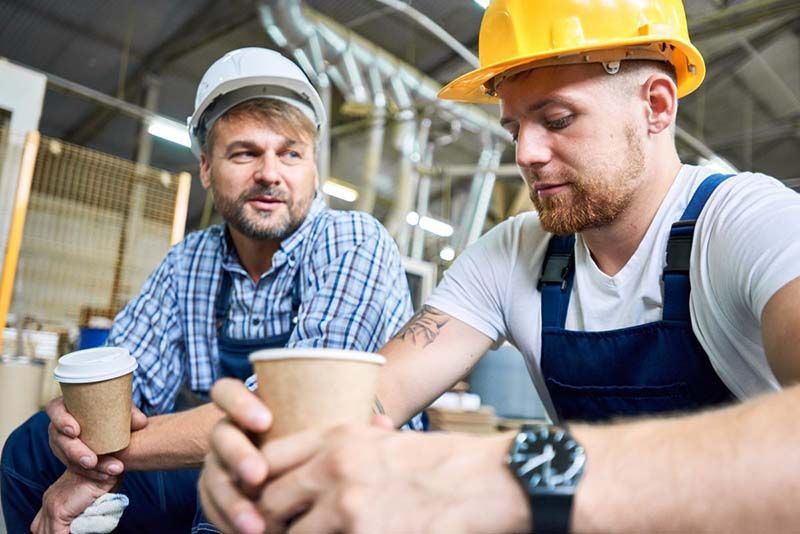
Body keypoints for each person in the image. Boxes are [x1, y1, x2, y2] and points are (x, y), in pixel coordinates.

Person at [198, 1, 800, 533]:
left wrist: (504, 478)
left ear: (657, 105)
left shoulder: (749, 222)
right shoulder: (516, 252)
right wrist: (275, 451)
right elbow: (379, 393)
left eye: (558, 119)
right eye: (514, 127)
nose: (525, 154)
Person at [0, 47, 413, 534]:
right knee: (29, 450)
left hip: (349, 478)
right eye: (244, 152)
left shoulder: (352, 241)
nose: (270, 173)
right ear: (205, 168)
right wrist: (77, 431)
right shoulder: (190, 260)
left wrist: (99, 455)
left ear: (314, 170)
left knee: (238, 492)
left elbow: (297, 419)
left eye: (291, 153)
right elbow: (123, 386)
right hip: (228, 455)